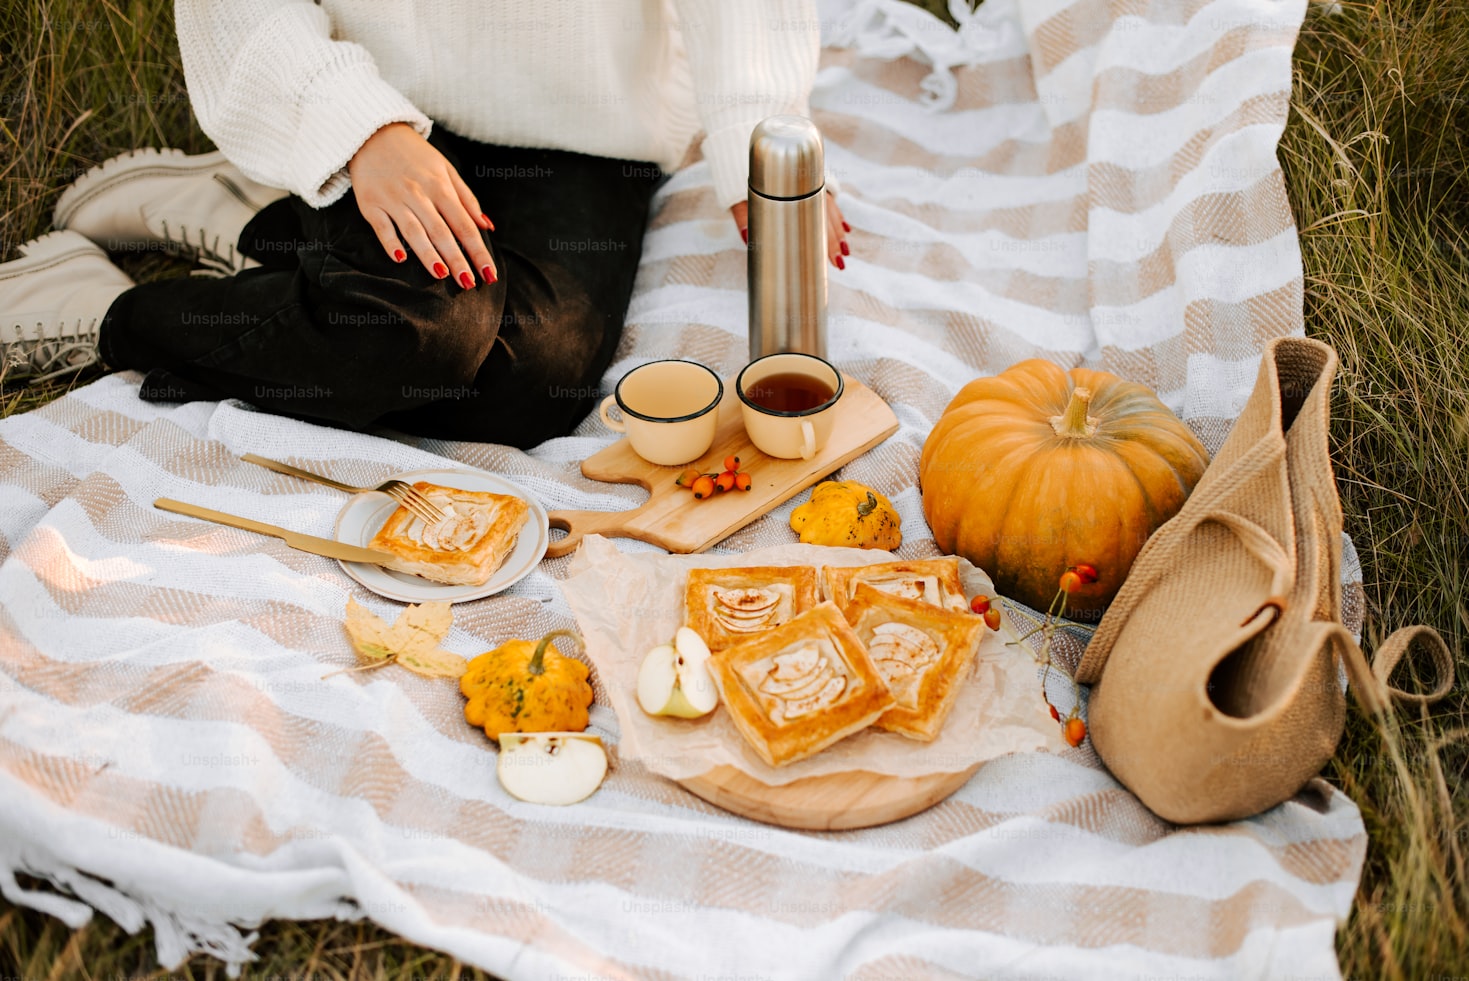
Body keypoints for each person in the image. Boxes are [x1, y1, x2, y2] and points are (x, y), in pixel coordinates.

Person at [0, 0, 849, 448]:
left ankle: (254, 217)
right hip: (369, 94)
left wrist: (757, 129)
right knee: (417, 333)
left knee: (530, 382)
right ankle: (107, 313)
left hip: (580, 124)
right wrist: (351, 127)